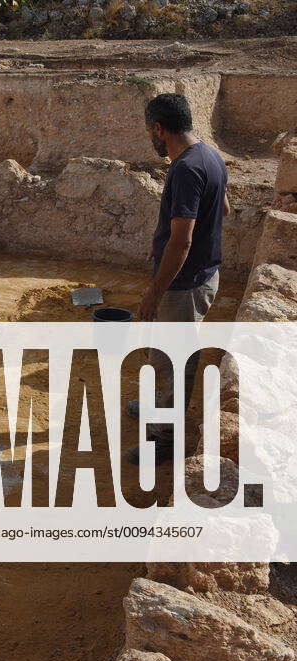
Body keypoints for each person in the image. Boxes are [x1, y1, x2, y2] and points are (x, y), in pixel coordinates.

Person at [128, 93, 230, 464]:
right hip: (198, 276)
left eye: (149, 131)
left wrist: (156, 290)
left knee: (173, 360)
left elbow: (182, 239)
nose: (150, 139)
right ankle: (158, 411)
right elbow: (223, 207)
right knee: (162, 354)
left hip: (183, 285)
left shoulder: (186, 169)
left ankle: (166, 440)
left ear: (159, 128)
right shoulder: (209, 155)